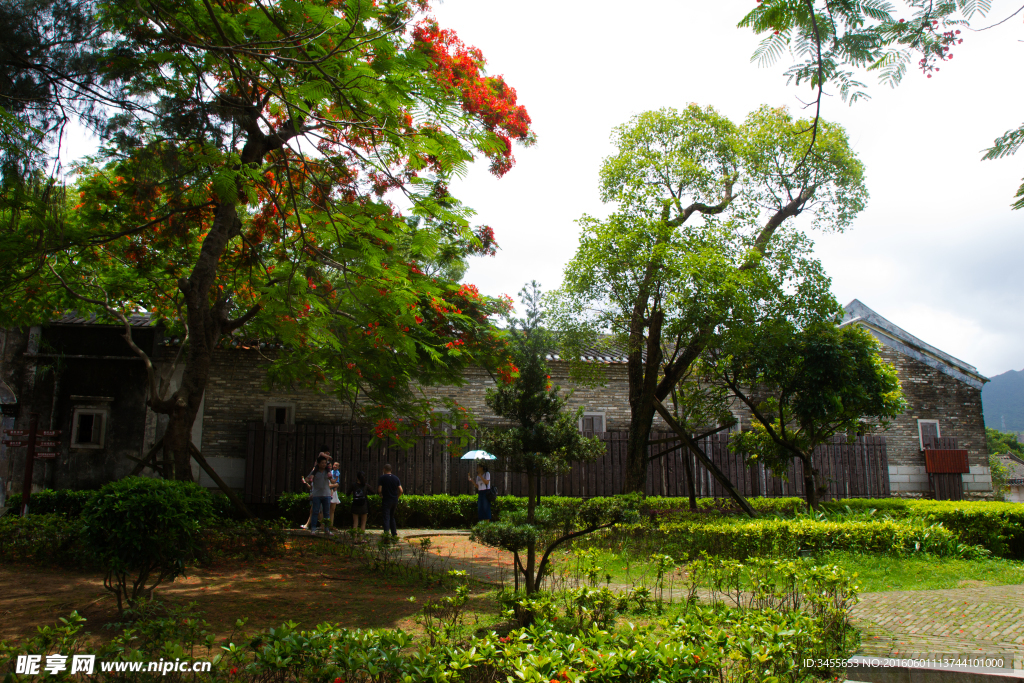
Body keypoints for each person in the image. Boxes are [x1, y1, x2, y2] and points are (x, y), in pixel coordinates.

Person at [305, 455, 333, 533]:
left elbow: (333, 481)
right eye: (322, 463)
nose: (324, 464)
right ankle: (313, 529)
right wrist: (310, 480)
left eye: (325, 463)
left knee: (326, 513)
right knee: (315, 512)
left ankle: (327, 529)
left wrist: (332, 479)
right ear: (318, 464)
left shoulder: (327, 471)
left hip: (326, 495)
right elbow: (307, 479)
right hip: (317, 495)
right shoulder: (314, 471)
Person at [377, 464, 403, 537]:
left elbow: (379, 490)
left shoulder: (382, 478)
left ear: (384, 469)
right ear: (391, 470)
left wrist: (381, 495)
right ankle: (394, 533)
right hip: (394, 500)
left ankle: (386, 534)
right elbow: (401, 490)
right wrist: (397, 497)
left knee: (386, 517)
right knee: (392, 517)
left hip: (386, 499)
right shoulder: (396, 478)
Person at [328, 457, 341, 529]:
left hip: (333, 489)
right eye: (333, 465)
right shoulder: (330, 472)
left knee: (332, 509)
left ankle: (331, 525)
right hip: (328, 490)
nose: (334, 466)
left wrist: (335, 484)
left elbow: (336, 480)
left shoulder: (337, 472)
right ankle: (325, 525)